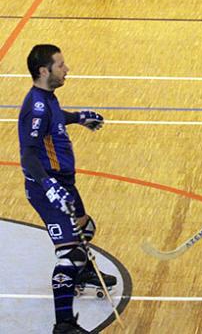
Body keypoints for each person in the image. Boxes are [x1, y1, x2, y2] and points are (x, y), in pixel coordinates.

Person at [18, 44, 116, 334]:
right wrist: (48, 186)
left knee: (85, 227)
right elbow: (28, 154)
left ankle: (83, 273)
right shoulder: (35, 107)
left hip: (64, 183)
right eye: (61, 65)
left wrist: (78, 118)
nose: (67, 68)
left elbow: (56, 115)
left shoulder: (48, 98)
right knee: (69, 254)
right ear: (43, 71)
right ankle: (63, 325)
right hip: (47, 187)